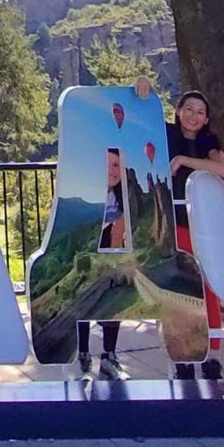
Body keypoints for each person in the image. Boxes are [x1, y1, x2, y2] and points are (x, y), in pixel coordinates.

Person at [165, 90, 224, 380]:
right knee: (179, 290)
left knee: (208, 288)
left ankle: (212, 353)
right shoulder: (166, 135)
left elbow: (222, 169)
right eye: (188, 109)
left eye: (200, 111)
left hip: (204, 224)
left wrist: (183, 160)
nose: (193, 116)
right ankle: (182, 354)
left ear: (206, 119)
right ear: (179, 111)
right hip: (175, 221)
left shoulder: (208, 142)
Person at [76, 147, 129, 379]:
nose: (111, 170)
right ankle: (83, 353)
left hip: (109, 245)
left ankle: (109, 355)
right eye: (107, 164)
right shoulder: (83, 193)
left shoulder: (123, 197)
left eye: (117, 165)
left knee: (112, 298)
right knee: (83, 299)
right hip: (85, 247)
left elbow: (118, 234)